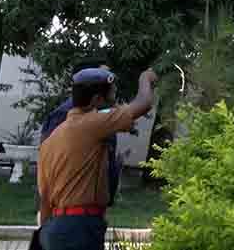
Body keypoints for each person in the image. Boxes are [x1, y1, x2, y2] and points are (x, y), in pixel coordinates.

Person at [37, 67, 157, 250]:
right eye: (113, 96)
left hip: (56, 228)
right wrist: (145, 77)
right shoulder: (90, 124)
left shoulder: (52, 140)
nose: (115, 103)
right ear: (96, 100)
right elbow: (144, 103)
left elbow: (45, 198)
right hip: (79, 229)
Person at [39, 59, 125, 207]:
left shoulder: (97, 116)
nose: (112, 85)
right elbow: (52, 166)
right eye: (105, 76)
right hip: (68, 210)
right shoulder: (63, 115)